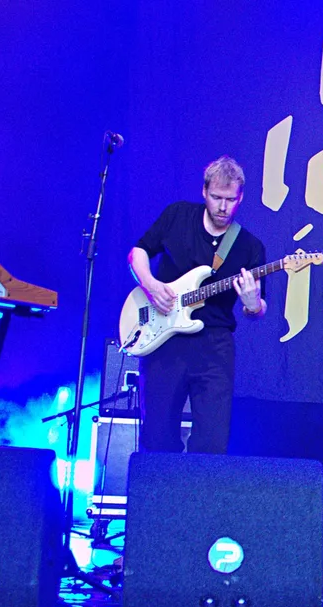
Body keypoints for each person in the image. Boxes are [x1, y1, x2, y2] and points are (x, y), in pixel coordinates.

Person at [128, 156, 267, 454]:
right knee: (157, 437)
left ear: (241, 198)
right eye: (216, 197)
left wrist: (253, 304)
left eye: (230, 200)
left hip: (214, 346)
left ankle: (201, 486)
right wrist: (151, 286)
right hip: (164, 339)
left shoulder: (250, 247)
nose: (223, 207)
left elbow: (256, 310)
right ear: (204, 191)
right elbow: (138, 252)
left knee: (212, 442)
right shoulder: (178, 215)